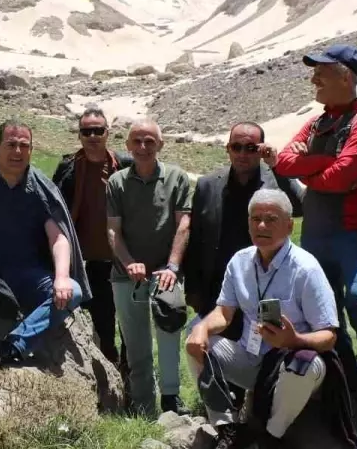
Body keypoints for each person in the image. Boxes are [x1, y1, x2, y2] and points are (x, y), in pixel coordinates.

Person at [271, 44, 357, 424]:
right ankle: (348, 384)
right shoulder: (317, 123)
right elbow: (284, 161)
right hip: (316, 233)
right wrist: (326, 163)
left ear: (346, 76)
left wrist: (313, 169)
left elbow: (339, 178)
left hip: (356, 235)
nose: (314, 79)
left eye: (321, 72)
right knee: (324, 317)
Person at [185, 189, 340, 449]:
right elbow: (224, 313)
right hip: (249, 356)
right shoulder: (240, 262)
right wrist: (202, 328)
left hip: (289, 366)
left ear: (289, 225)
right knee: (196, 344)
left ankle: (270, 438)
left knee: (305, 364)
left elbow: (329, 335)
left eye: (271, 219)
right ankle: (227, 430)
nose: (262, 226)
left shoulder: (306, 269)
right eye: (256, 219)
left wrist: (293, 340)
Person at [0, 121, 88, 370]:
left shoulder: (40, 187)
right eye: (11, 145)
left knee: (72, 291)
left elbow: (59, 237)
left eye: (24, 146)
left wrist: (62, 276)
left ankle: (11, 346)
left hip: (26, 275)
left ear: (31, 150)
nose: (18, 152)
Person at [105, 119, 192, 416]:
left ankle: (171, 397)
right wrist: (129, 263)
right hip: (125, 276)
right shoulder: (117, 182)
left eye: (150, 141)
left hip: (166, 272)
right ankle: (143, 404)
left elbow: (183, 224)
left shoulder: (177, 178)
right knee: (135, 342)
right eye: (137, 141)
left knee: (169, 333)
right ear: (128, 145)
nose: (143, 147)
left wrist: (172, 266)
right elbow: (113, 231)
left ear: (160, 145)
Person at [185, 122, 304, 331]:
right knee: (210, 346)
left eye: (250, 148)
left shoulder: (274, 182)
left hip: (267, 286)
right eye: (236, 147)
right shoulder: (207, 185)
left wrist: (277, 166)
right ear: (228, 149)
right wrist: (193, 288)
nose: (242, 154)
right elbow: (196, 238)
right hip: (218, 289)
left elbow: (300, 207)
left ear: (261, 149)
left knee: (270, 342)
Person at [52, 107, 132, 364]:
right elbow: (54, 210)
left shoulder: (124, 166)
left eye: (98, 130)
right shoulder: (69, 168)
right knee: (101, 327)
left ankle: (130, 377)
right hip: (85, 263)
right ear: (80, 135)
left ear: (108, 133)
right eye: (87, 131)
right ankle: (107, 380)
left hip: (122, 260)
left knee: (130, 327)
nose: (93, 136)